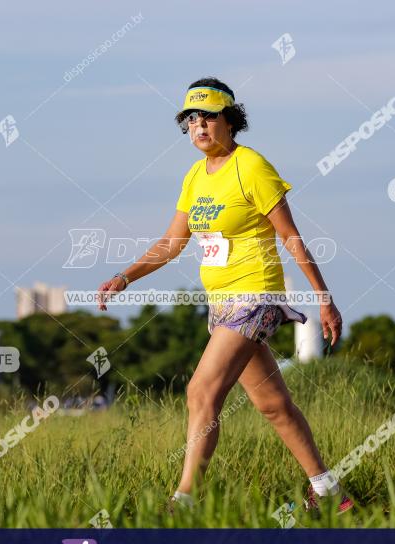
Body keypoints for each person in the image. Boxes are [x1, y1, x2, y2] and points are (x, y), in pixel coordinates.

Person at [96, 77, 352, 514]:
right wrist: (126, 276)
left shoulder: (250, 166)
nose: (199, 127)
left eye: (208, 117)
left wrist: (323, 298)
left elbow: (290, 236)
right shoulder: (195, 176)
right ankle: (329, 494)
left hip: (255, 295)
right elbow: (172, 242)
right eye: (191, 119)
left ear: (230, 120)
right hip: (222, 304)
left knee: (201, 392)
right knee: (273, 405)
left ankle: (185, 502)